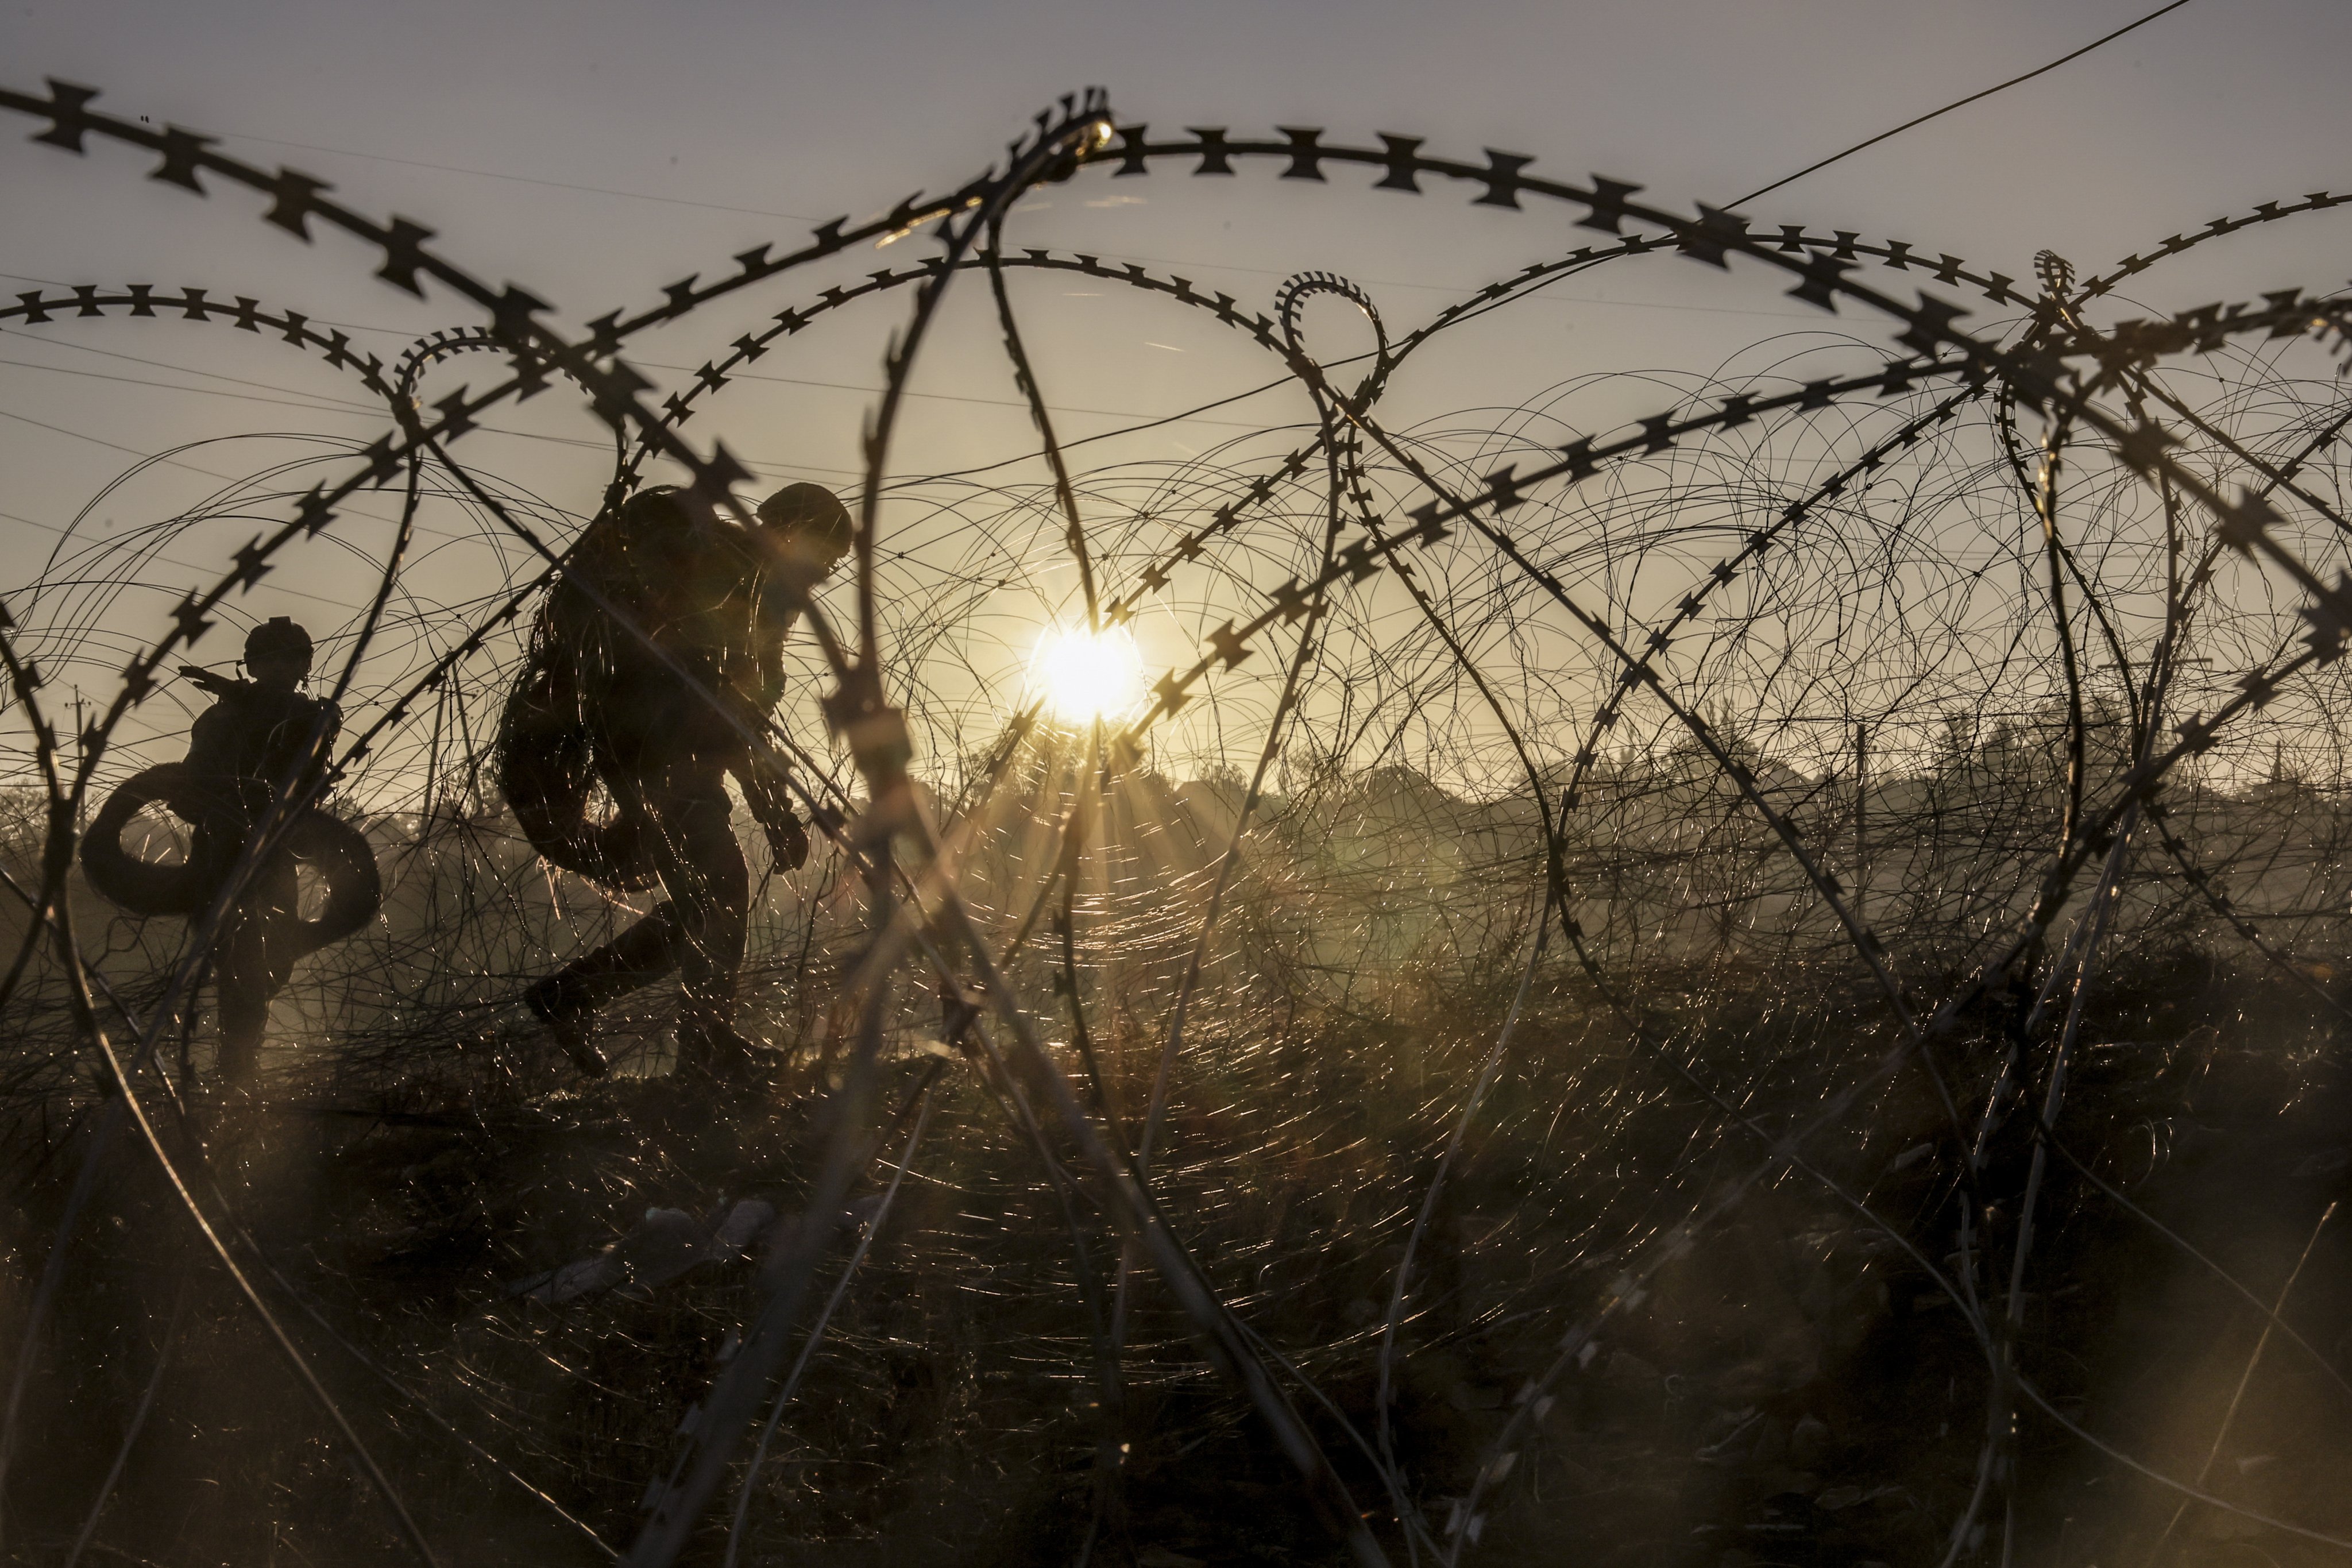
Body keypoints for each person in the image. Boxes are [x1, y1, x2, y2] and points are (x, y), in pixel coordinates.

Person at [517, 482, 851, 1081]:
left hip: (662, 751)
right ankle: (702, 1049)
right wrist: (769, 807)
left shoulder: (753, 583)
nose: (823, 574)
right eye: (823, 557)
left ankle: (577, 999)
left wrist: (769, 804)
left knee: (707, 897)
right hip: (657, 751)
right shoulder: (729, 571)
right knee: (718, 886)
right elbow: (729, 704)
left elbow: (743, 715)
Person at [179, 617, 341, 1081]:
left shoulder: (310, 719)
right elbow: (192, 790)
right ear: (253, 667)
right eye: (272, 662)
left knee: (267, 962)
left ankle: (239, 1059)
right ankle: (237, 1063)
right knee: (238, 961)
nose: (282, 670)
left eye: (289, 661)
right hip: (226, 852)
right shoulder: (226, 718)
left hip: (271, 854)